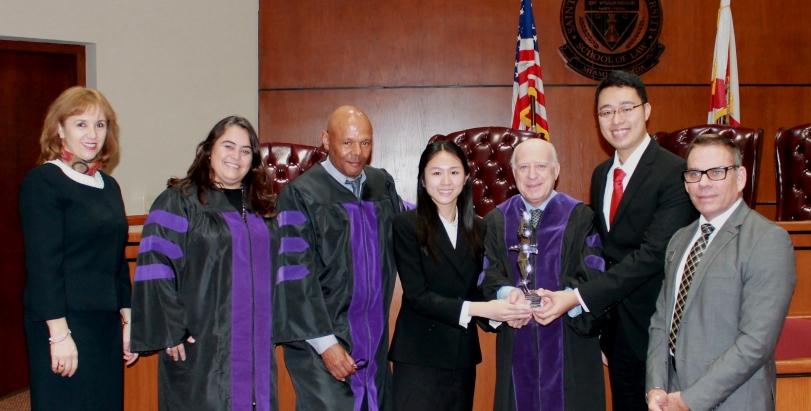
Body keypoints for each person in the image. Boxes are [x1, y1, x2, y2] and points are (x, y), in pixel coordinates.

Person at [535, 70, 698, 410]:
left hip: (659, 330)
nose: (617, 119)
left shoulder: (674, 173)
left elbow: (655, 255)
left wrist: (576, 297)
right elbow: (602, 252)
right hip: (616, 331)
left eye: (627, 108)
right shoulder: (600, 174)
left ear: (646, 111)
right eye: (606, 111)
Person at [130, 116, 279, 410]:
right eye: (228, 146)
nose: (236, 156)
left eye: (246, 150)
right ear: (209, 150)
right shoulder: (180, 201)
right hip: (202, 342)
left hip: (256, 344)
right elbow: (155, 265)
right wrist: (171, 329)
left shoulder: (263, 207)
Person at [646, 135, 796, 411]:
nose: (703, 183)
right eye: (694, 173)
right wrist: (656, 386)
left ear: (740, 178)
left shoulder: (767, 240)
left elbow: (756, 342)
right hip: (671, 398)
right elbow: (661, 321)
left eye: (716, 172)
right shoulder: (679, 240)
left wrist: (692, 399)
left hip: (735, 401)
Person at [274, 105, 402, 410]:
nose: (357, 152)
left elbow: (410, 232)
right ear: (326, 140)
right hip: (321, 346)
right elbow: (294, 278)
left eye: (366, 143)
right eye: (347, 143)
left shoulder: (380, 184)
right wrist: (325, 344)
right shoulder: (300, 195)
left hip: (374, 345)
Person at [388, 141, 532, 411]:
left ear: (466, 178)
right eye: (436, 172)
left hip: (461, 357)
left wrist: (505, 302)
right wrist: (483, 307)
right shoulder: (406, 225)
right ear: (422, 179)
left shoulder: (479, 227)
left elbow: (476, 287)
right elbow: (418, 296)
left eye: (454, 172)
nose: (445, 181)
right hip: (419, 356)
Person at [19, 86, 136, 410]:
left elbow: (115, 261)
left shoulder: (108, 185)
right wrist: (59, 335)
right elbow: (43, 266)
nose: (93, 134)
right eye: (81, 124)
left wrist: (129, 321)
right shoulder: (43, 181)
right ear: (59, 129)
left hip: (105, 323)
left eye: (100, 124)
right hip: (62, 321)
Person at [480, 138, 606, 411]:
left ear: (556, 170)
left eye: (541, 166)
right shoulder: (496, 221)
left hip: (570, 344)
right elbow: (486, 275)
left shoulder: (581, 217)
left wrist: (565, 300)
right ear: (514, 174)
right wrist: (507, 296)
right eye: (523, 167)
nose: (532, 174)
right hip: (517, 339)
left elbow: (595, 274)